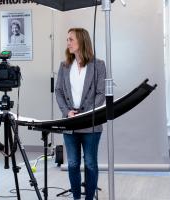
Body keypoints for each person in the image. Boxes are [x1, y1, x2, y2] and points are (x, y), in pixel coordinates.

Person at [55, 28, 106, 200]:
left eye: (71, 39)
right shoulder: (64, 66)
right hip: (70, 121)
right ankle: (76, 198)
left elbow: (101, 93)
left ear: (82, 41)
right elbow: (59, 91)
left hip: (90, 122)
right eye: (67, 39)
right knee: (73, 163)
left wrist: (86, 113)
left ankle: (89, 198)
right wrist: (66, 111)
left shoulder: (98, 65)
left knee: (90, 164)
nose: (68, 43)